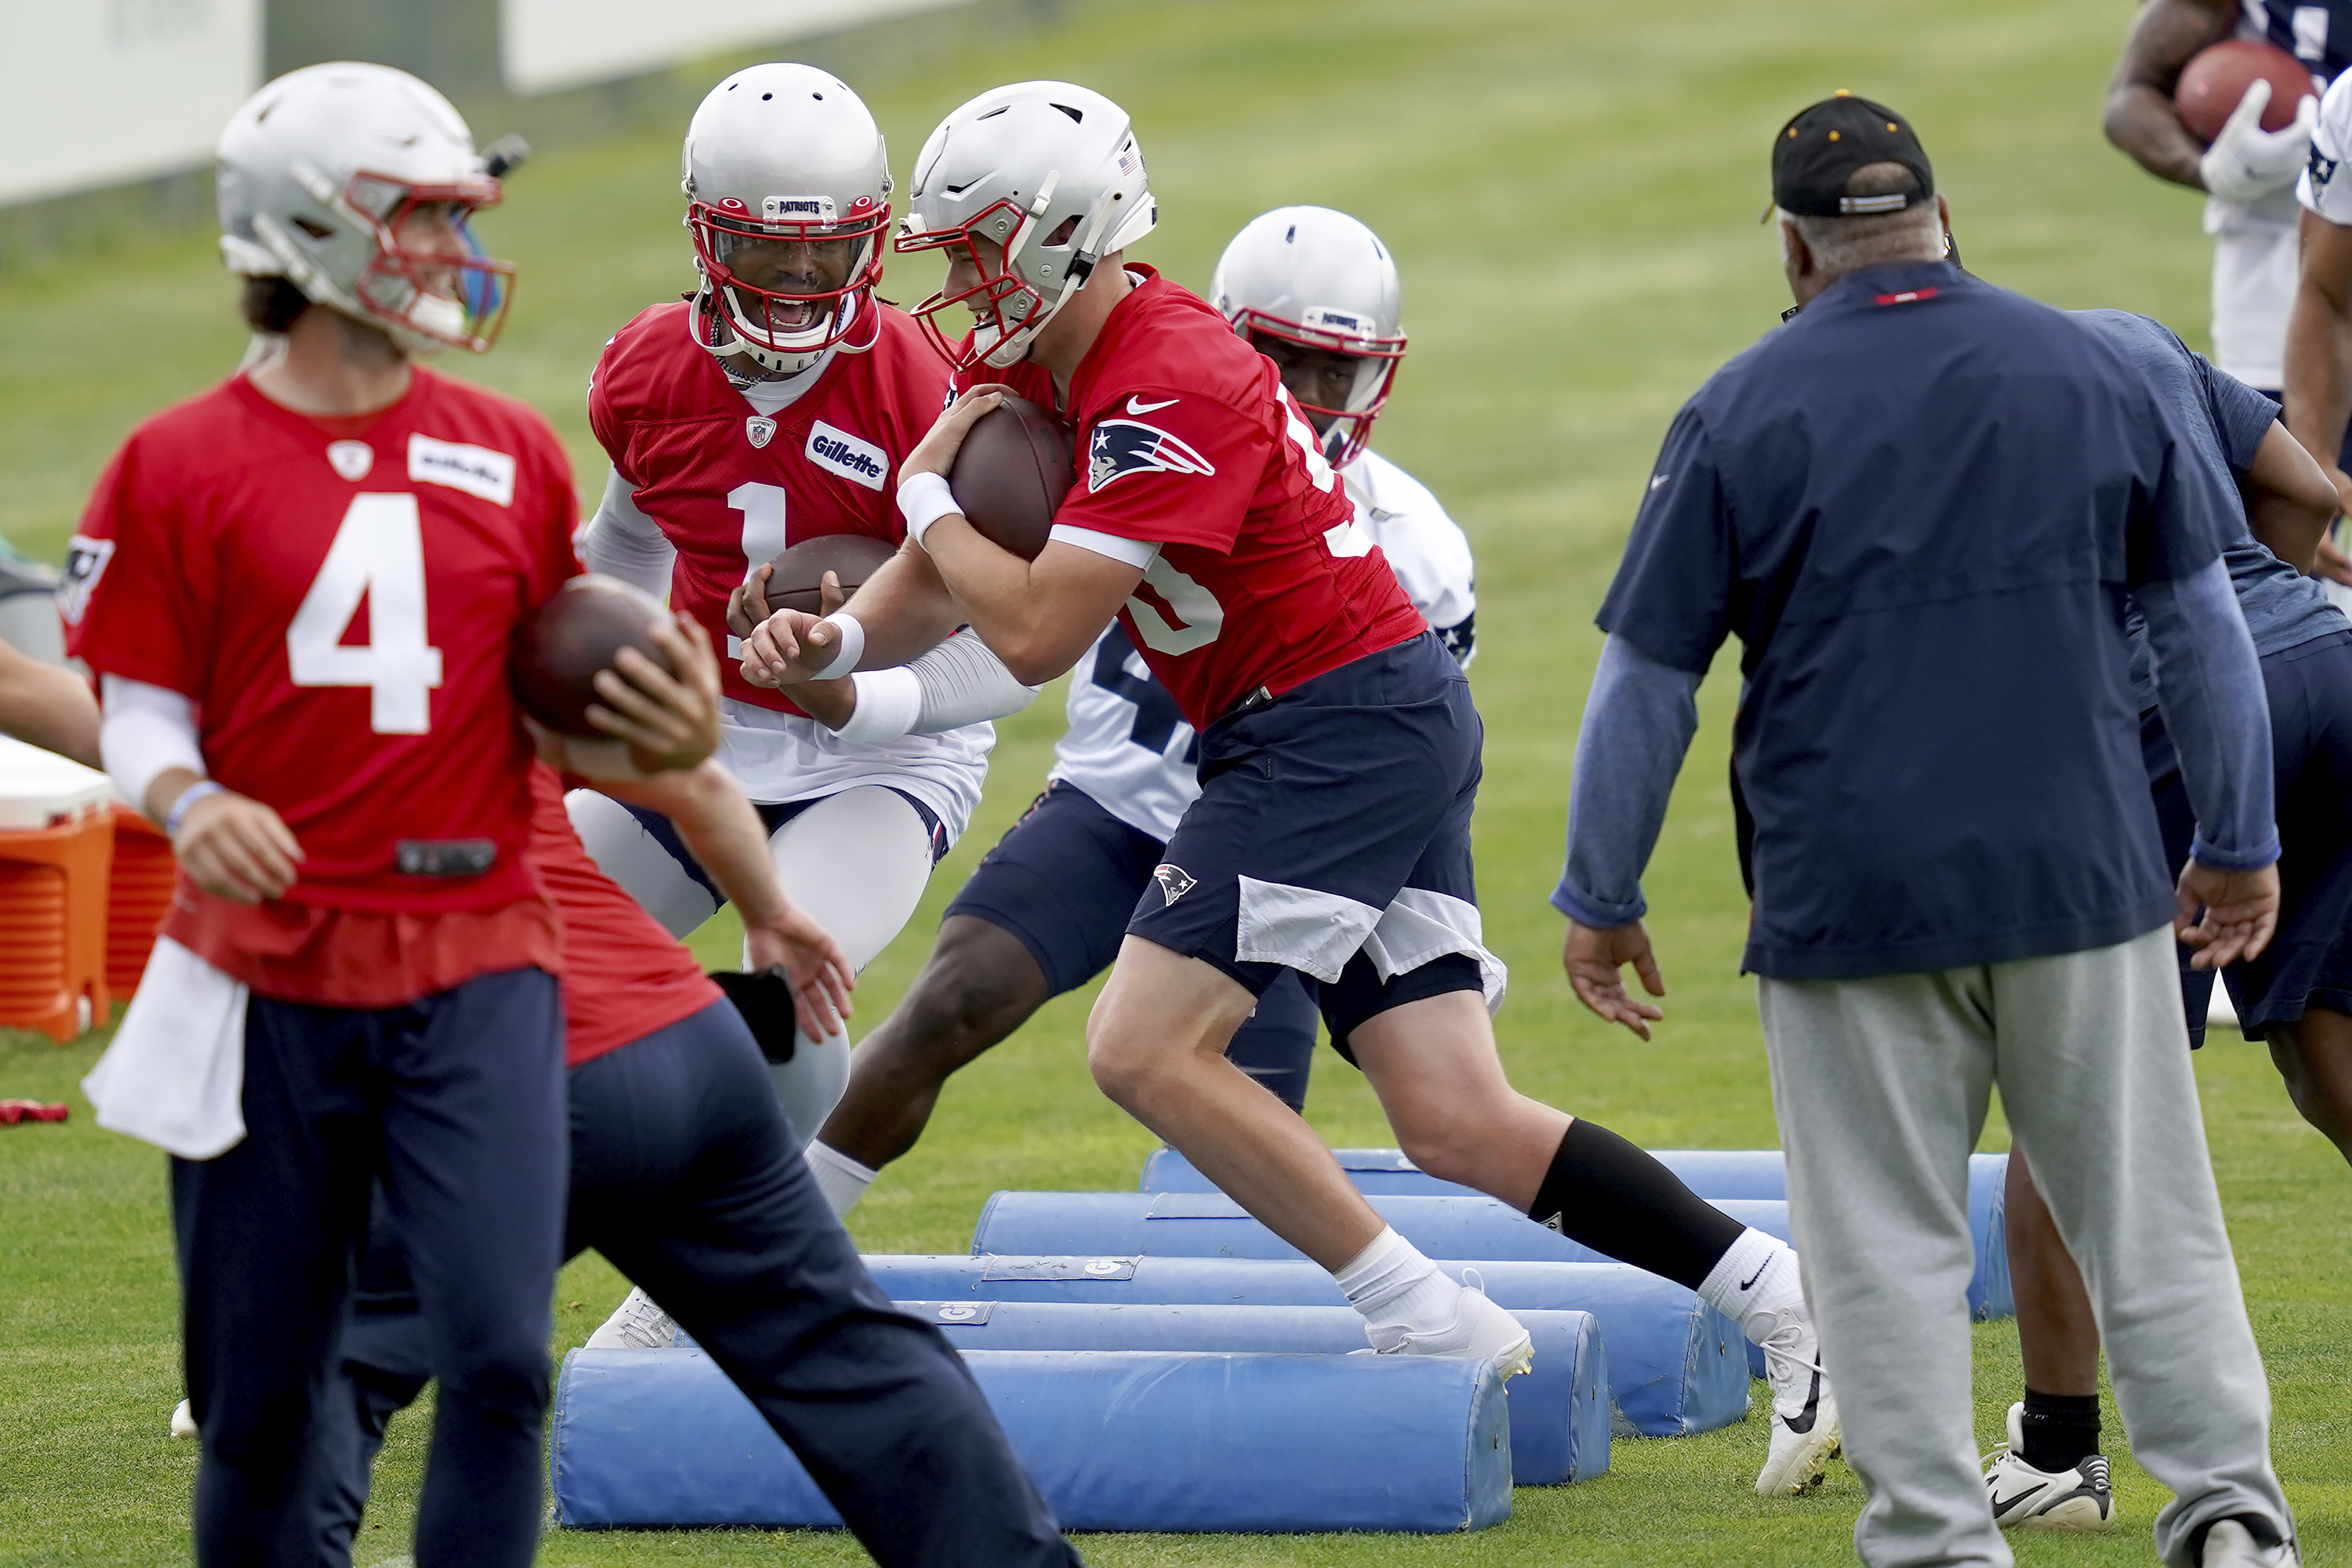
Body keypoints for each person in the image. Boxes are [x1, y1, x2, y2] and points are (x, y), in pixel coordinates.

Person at [741, 79, 1842, 1497]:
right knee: (1453, 1115)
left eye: (973, 253)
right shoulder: (1050, 363)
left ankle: (1428, 1315)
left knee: (1142, 1047)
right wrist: (832, 636)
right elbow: (930, 588)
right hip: (1351, 717)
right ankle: (1777, 1294)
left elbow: (1026, 627)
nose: (954, 288)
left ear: (1069, 237)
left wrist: (927, 503)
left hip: (1331, 725)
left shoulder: (1167, 374)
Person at [1560, 95, 2300, 1568]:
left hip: (1849, 901)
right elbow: (2202, 623)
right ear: (1941, 217)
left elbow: (1647, 683)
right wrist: (2237, 836)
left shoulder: (1739, 409)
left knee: (1884, 1252)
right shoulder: (2097, 371)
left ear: (1794, 247)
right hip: (2084, 878)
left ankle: (1939, 1545)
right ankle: (2227, 1522)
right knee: (2149, 1221)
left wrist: (1604, 890)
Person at [61, 62, 704, 1568]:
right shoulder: (174, 464)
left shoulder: (511, 446)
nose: (446, 251)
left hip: (477, 954)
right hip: (271, 972)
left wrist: (659, 737)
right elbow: (140, 698)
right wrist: (185, 794)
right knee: (263, 1402)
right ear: (308, 233)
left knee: (496, 1357)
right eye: (418, 217)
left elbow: (541, 702)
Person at [798, 204, 1477, 1217]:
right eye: (1285, 361)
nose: (1311, 396)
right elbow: (1018, 643)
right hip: (1119, 803)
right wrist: (862, 669)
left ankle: (1272, 1324)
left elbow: (1393, 768)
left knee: (1237, 1125)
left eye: (1339, 370)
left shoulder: (1416, 542)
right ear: (1230, 342)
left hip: (1281, 831)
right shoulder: (1124, 430)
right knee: (951, 999)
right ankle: (776, 1244)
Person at [309, 753, 1083, 1568]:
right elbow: (696, 774)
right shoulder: (503, 666)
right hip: (698, 1049)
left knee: (322, 1365)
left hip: (533, 1065)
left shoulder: (275, 773)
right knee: (849, 1360)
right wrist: (770, 910)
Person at [567, 61, 1038, 1350]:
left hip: (883, 755)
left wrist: (852, 689)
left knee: (784, 1001)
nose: (792, 288)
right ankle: (371, 1310)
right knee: (512, 980)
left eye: (823, 254)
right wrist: (576, 683)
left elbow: (1017, 644)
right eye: (761, 257)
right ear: (703, 235)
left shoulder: (933, 390)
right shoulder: (647, 368)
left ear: (874, 241)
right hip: (696, 737)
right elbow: (620, 546)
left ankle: (712, 1276)